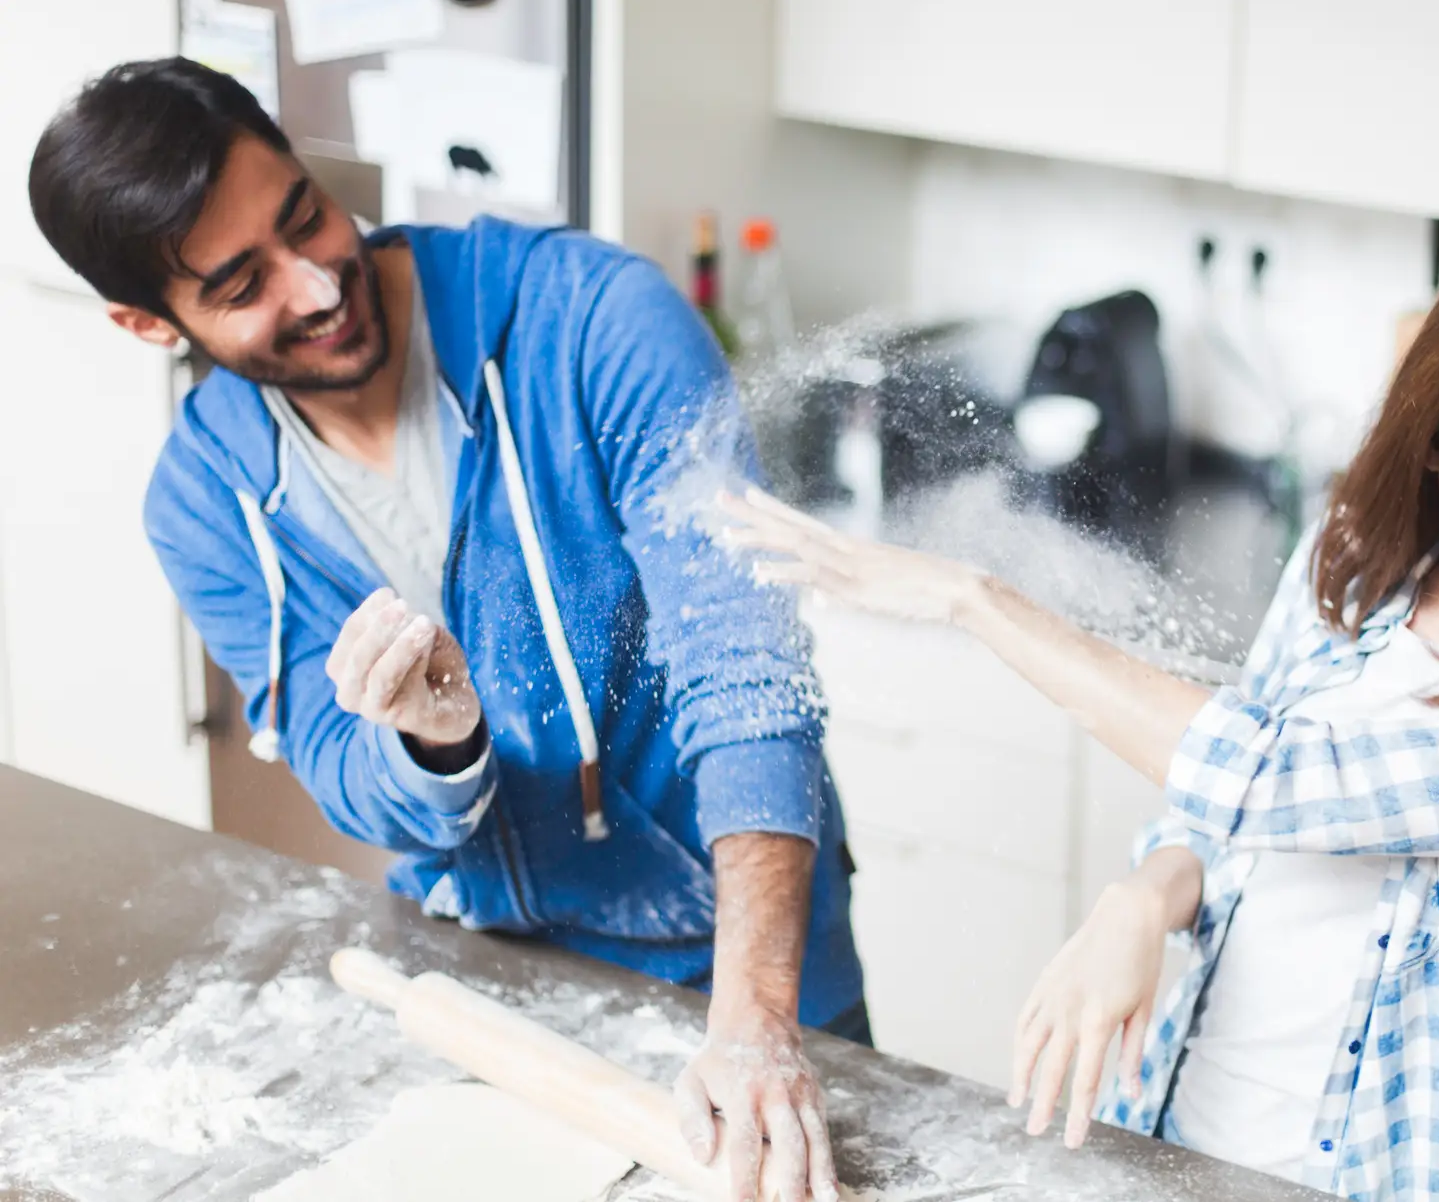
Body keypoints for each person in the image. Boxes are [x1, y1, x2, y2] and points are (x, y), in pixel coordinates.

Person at [719, 241, 1439, 1201]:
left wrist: (977, 600)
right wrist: (1143, 896)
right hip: (1173, 1141)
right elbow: (1215, 817)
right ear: (1435, 451)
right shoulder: (1351, 568)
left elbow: (1276, 782)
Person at [29, 59, 859, 1202]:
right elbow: (339, 763)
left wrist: (755, 1016)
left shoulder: (594, 320)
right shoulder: (203, 503)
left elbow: (744, 662)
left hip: (741, 961)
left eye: (304, 215)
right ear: (145, 322)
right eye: (243, 283)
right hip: (488, 992)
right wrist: (432, 740)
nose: (317, 283)